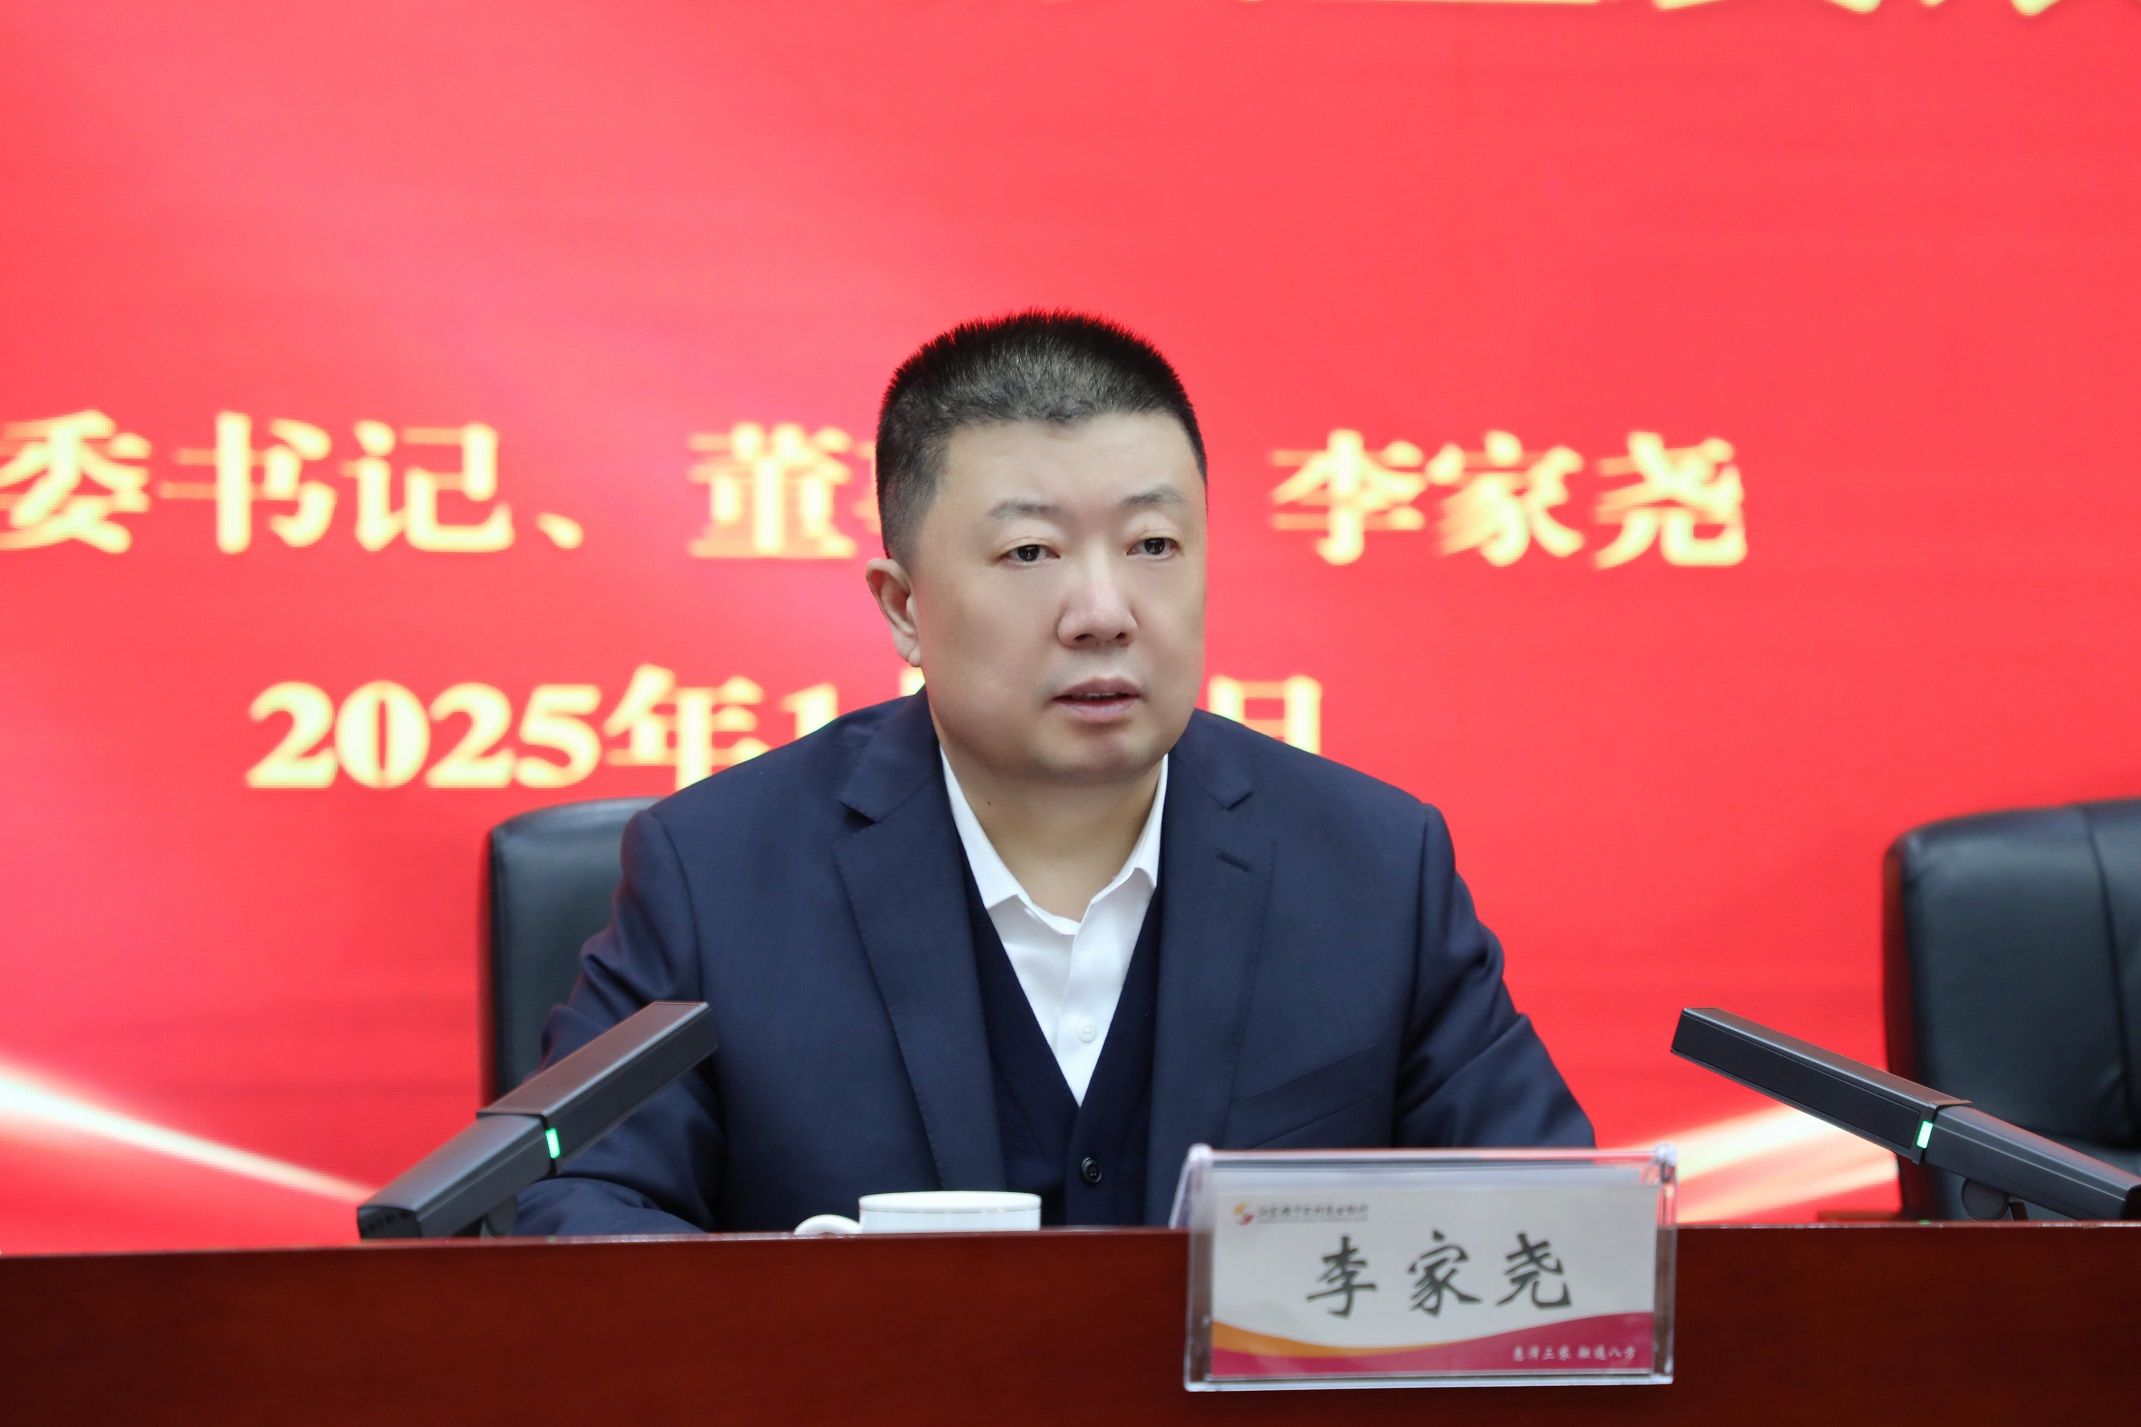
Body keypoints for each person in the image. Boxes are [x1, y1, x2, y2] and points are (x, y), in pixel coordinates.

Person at [514, 312, 1591, 1235]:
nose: (1104, 612)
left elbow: (1549, 1230)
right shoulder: (716, 874)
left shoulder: (1373, 869)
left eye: (1153, 545)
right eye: (1030, 553)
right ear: (903, 606)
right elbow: (576, 1203)